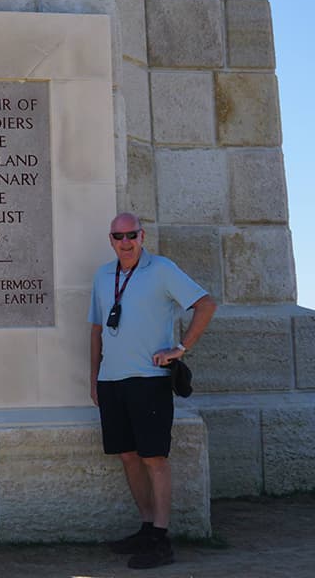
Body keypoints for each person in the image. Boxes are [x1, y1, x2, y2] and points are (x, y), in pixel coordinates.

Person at [88, 213, 216, 569]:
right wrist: (93, 378)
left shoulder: (161, 269)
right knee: (128, 456)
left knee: (154, 459)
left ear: (142, 236)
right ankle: (146, 528)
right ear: (110, 239)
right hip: (111, 382)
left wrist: (182, 347)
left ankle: (161, 539)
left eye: (131, 235)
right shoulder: (102, 276)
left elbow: (206, 304)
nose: (125, 242)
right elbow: (97, 329)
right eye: (118, 236)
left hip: (149, 380)